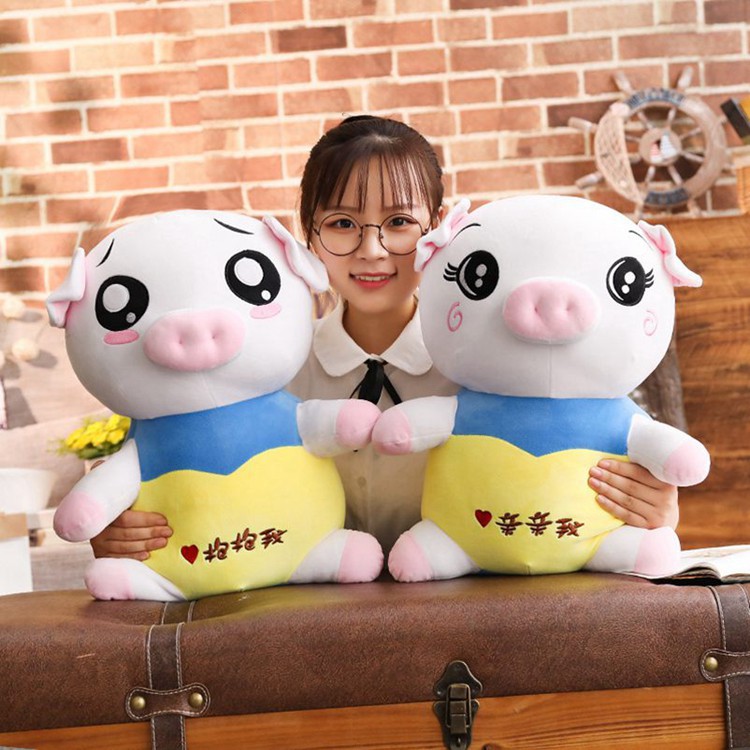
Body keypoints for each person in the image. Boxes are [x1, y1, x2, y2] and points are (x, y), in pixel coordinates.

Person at [90, 115, 679, 561]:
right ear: (308, 236)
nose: (372, 250)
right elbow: (172, 473)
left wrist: (654, 505)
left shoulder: (496, 365)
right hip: (310, 614)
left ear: (439, 231)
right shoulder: (263, 374)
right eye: (342, 224)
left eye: (399, 223)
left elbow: (596, 460)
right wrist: (121, 527)